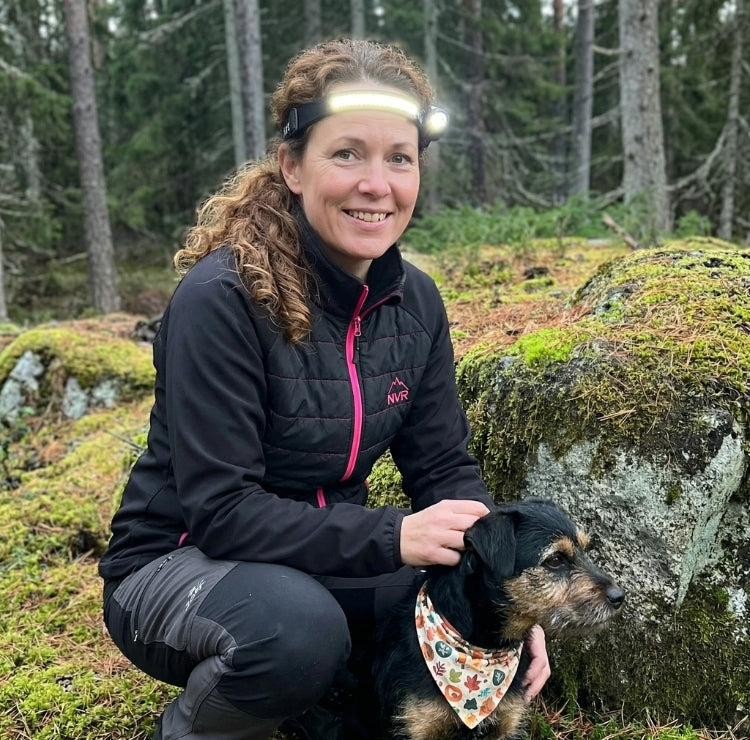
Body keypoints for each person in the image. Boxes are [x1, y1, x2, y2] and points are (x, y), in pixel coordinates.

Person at [99, 38, 551, 740]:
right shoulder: (221, 300)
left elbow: (441, 467)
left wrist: (503, 592)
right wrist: (394, 535)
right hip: (176, 565)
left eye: (398, 158)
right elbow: (222, 512)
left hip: (317, 561)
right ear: (292, 166)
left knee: (454, 608)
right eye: (346, 154)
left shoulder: (415, 303)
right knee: (298, 635)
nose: (376, 184)